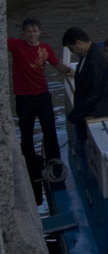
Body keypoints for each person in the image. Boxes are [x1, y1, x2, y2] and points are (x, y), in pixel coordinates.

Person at [7, 18, 74, 203]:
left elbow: (57, 64)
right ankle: (29, 165)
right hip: (24, 98)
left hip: (43, 96)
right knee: (26, 134)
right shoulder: (16, 45)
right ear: (23, 33)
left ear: (39, 32)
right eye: (28, 31)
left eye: (34, 31)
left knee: (49, 130)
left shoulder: (45, 48)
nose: (31, 34)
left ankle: (54, 163)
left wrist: (72, 71)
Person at [61, 27, 108, 144]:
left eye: (72, 49)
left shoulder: (95, 59)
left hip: (96, 114)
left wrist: (76, 115)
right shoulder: (88, 56)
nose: (73, 53)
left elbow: (95, 92)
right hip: (90, 111)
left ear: (78, 43)